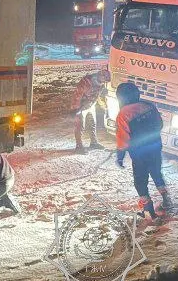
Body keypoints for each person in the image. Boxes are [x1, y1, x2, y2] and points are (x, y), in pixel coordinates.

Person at [115, 82, 171, 219]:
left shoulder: (123, 115)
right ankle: (166, 199)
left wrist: (120, 156)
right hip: (155, 148)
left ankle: (149, 210)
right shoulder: (149, 106)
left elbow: (123, 139)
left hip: (139, 154)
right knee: (156, 173)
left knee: (140, 180)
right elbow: (159, 124)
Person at [72, 68, 111, 152]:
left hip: (91, 105)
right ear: (100, 75)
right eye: (104, 80)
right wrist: (76, 108)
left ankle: (93, 143)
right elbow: (77, 94)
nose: (104, 82)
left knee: (93, 124)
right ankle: (79, 146)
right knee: (80, 126)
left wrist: (104, 107)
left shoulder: (101, 83)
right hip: (81, 106)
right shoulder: (86, 81)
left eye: (105, 81)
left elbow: (99, 96)